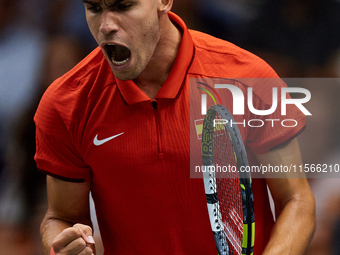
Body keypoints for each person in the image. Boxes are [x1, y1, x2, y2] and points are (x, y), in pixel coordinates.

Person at [34, 0, 315, 254]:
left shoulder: (248, 78)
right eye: (94, 8)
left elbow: (296, 201)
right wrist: (68, 245)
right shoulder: (66, 104)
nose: (106, 25)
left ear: (164, 2)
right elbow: (62, 217)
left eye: (123, 6)